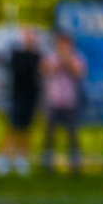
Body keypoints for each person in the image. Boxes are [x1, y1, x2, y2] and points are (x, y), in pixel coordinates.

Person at [0, 26, 43, 175]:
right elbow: (19, 70)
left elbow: (38, 72)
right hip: (16, 95)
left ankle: (22, 159)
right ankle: (5, 158)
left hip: (31, 97)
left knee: (26, 129)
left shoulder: (38, 55)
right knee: (12, 127)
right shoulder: (16, 54)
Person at [42, 33, 87, 173]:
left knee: (73, 136)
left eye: (66, 43)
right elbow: (46, 71)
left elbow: (79, 73)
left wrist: (66, 61)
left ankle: (75, 166)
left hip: (70, 103)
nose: (63, 46)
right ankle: (47, 165)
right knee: (50, 135)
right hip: (53, 101)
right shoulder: (50, 57)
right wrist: (59, 62)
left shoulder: (77, 57)